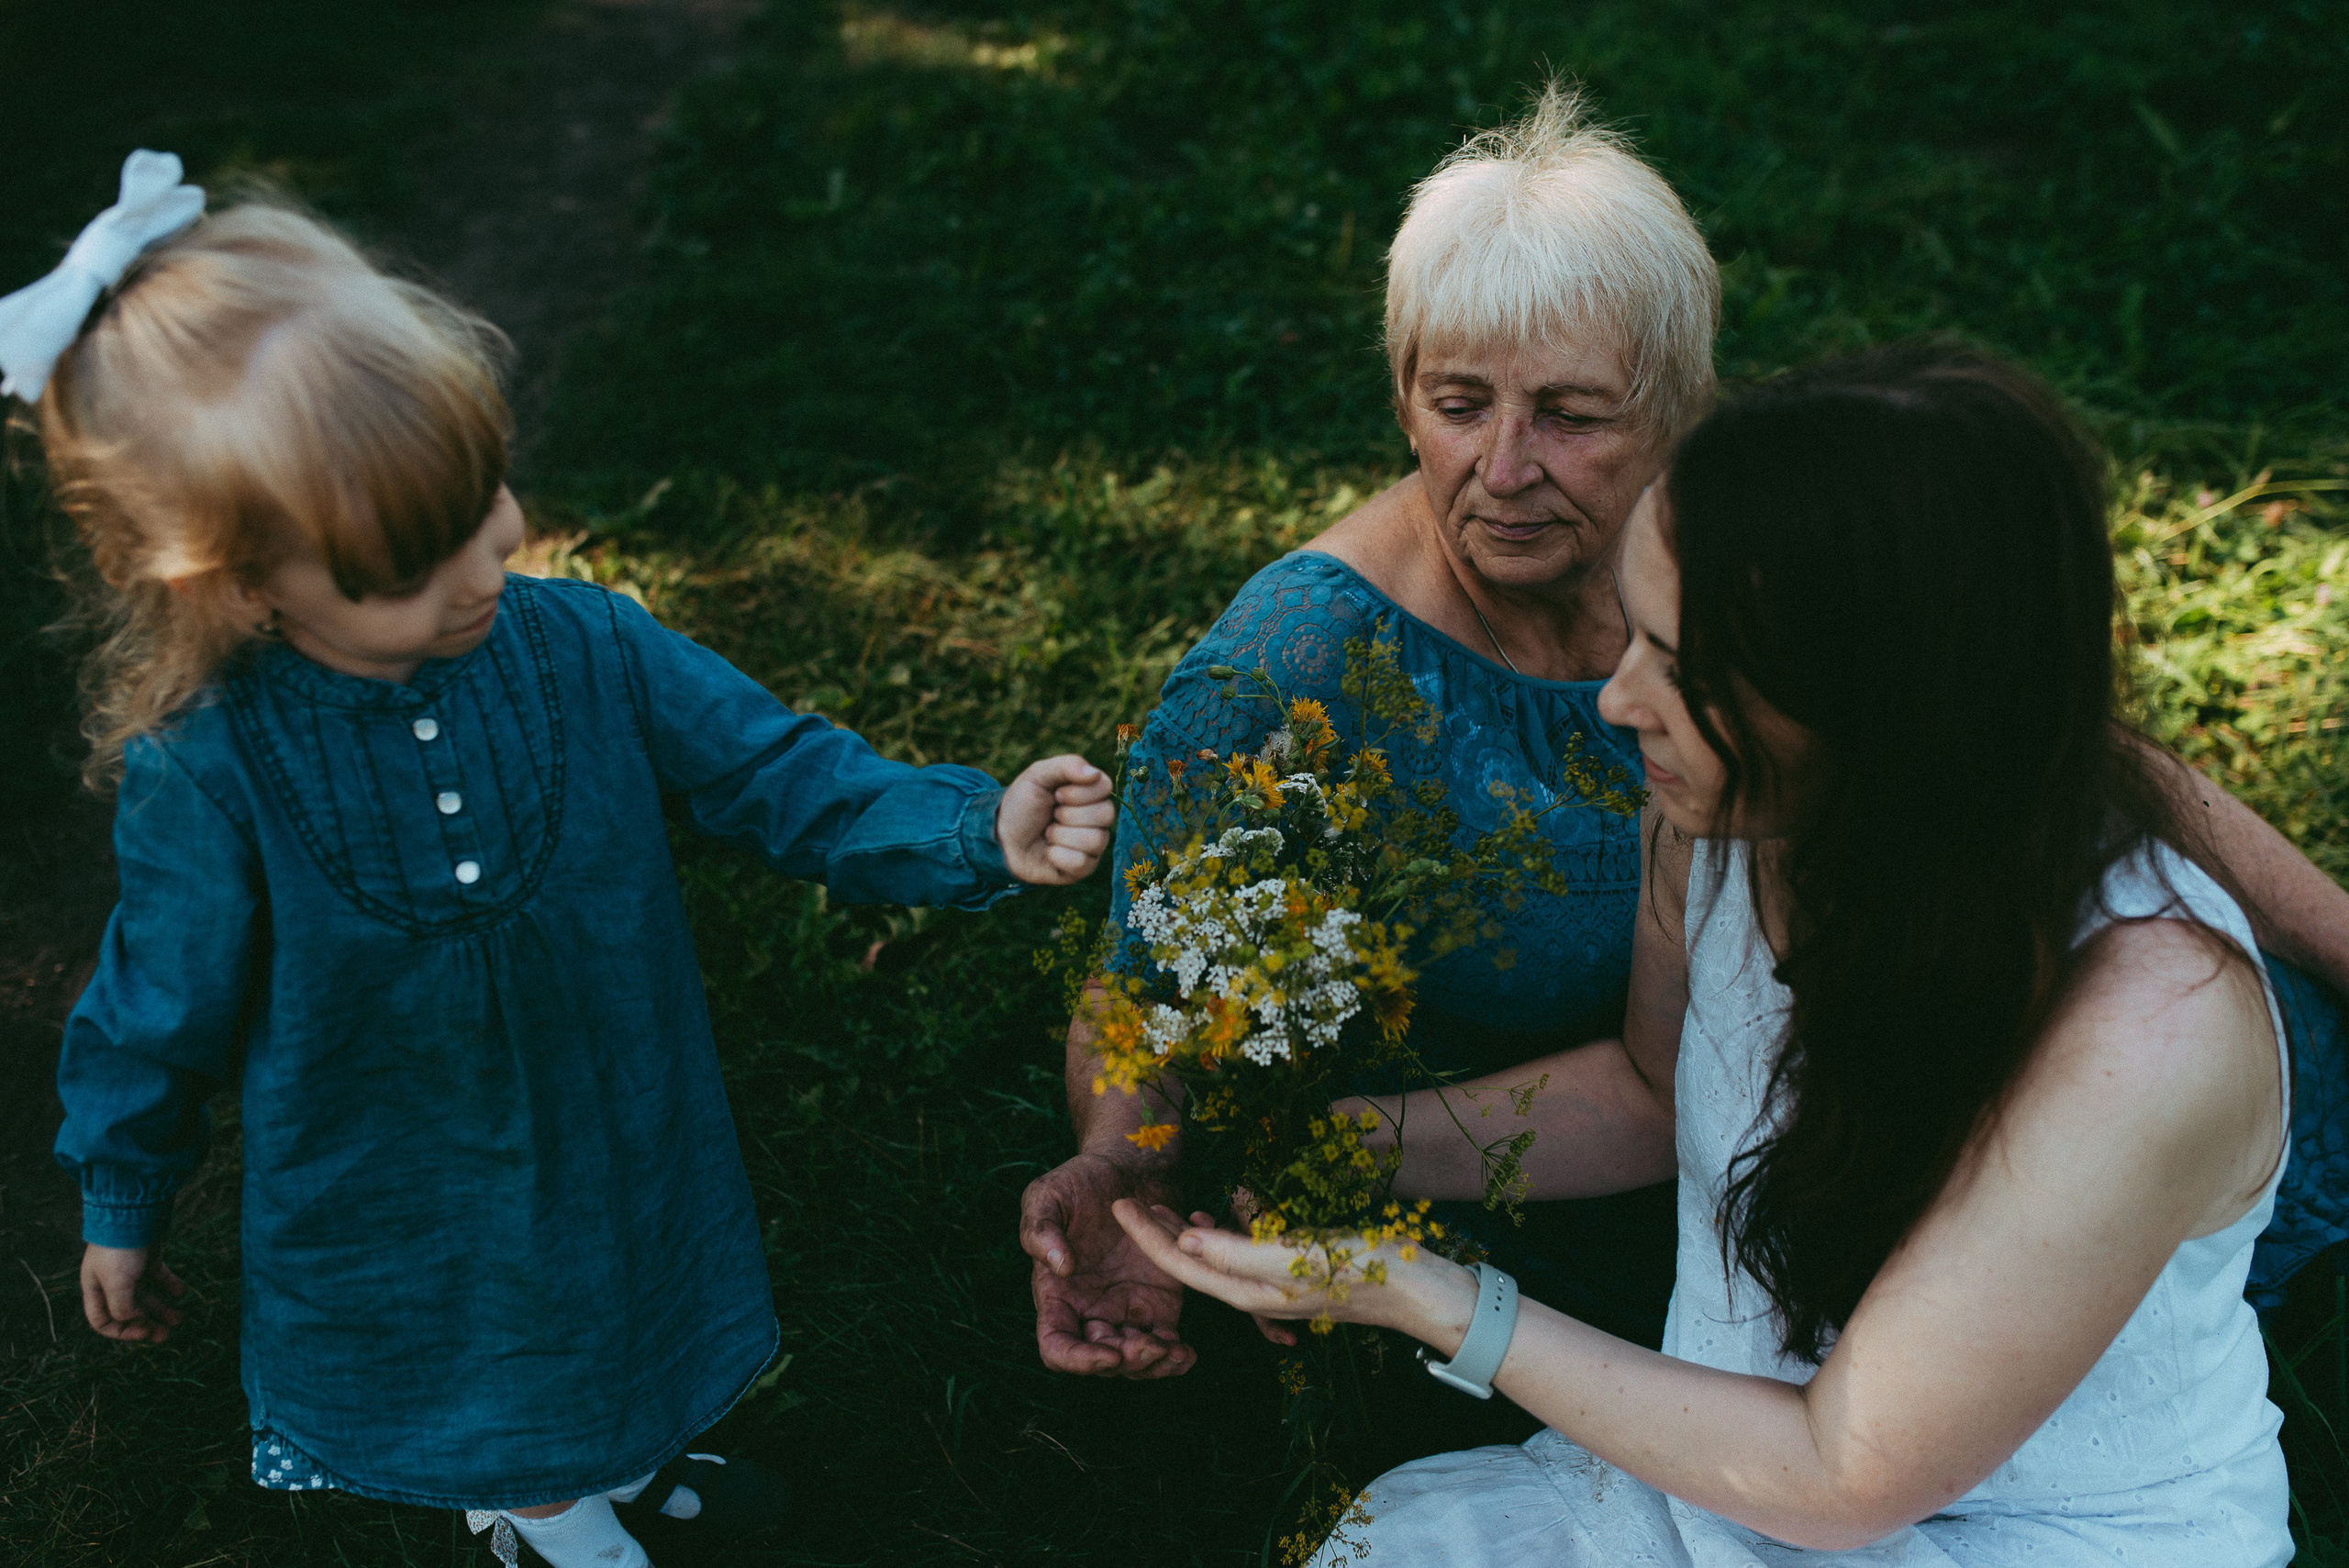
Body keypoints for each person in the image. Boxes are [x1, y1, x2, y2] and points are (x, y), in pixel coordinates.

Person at [1020, 85, 2349, 1387]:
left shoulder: (1738, 522)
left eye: (1574, 415)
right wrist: (1137, 1164)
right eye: (1457, 401)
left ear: (1683, 408)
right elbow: (1158, 982)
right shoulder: (1290, 678)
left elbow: (2042, 747)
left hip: (1957, 1055)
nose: (1503, 468)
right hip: (1683, 1173)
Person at [14, 154, 1114, 1568]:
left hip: (612, 1113)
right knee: (495, 1358)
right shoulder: (207, 768)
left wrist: (972, 828)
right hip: (400, 1176)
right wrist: (124, 1199)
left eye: (486, 497)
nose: (489, 560)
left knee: (613, 1299)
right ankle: (551, 1527)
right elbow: (153, 1007)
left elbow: (774, 771)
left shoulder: (587, 645)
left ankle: (622, 1465)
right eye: (410, 565)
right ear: (237, 583)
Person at [1118, 345, 2295, 1564]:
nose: (1620, 704)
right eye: (1640, 635)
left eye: (1684, 670)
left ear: (1875, 709)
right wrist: (1315, 1144)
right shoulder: (1734, 813)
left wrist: (1416, 1290)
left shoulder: (2151, 1029)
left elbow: (1847, 1476)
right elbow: (1650, 1089)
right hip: (1727, 1466)